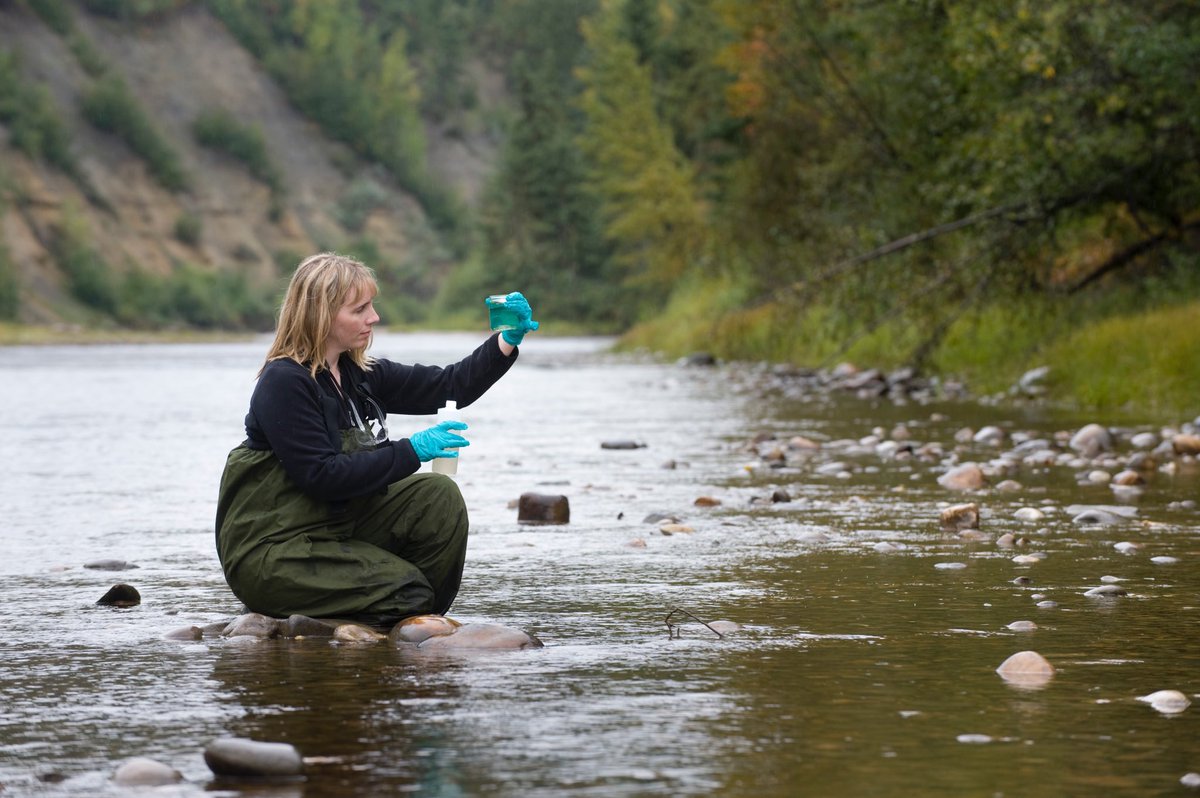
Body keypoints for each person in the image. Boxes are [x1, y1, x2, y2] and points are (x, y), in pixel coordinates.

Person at [215, 253, 538, 626]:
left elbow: (451, 385)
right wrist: (411, 450)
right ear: (320, 315)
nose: (374, 317)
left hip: (334, 528)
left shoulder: (361, 373)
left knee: (438, 496)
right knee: (410, 592)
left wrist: (506, 341)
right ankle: (397, 612)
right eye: (360, 309)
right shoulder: (284, 382)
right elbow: (322, 476)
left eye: (371, 306)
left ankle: (413, 617)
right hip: (274, 551)